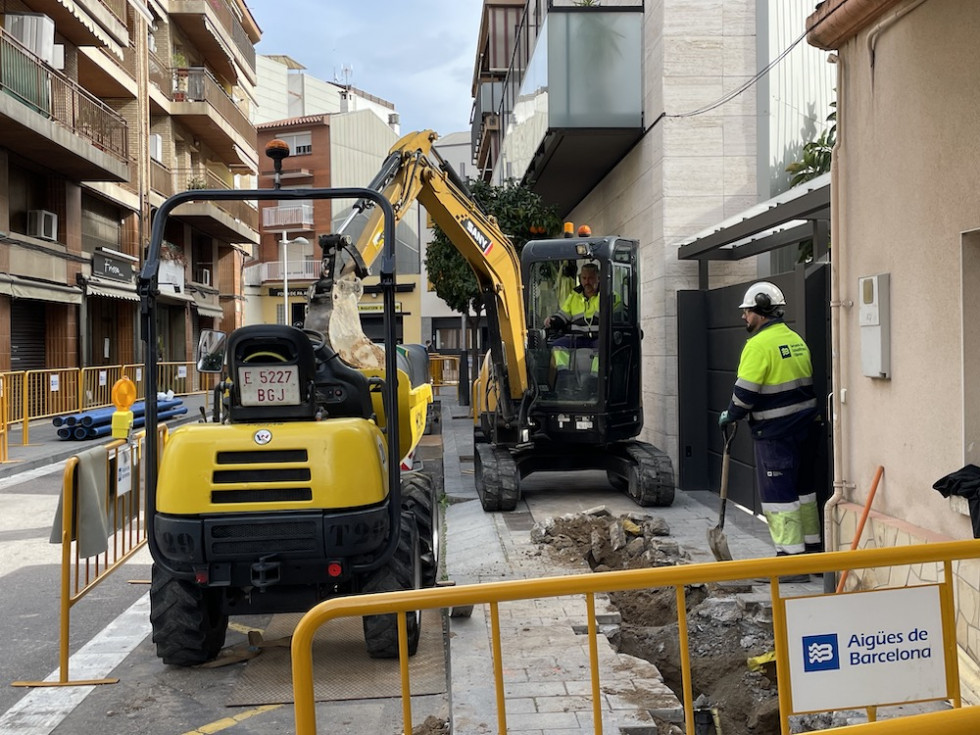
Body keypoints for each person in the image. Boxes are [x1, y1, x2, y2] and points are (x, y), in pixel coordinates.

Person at [718, 282, 821, 582]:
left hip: (776, 435)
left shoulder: (758, 346)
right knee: (804, 494)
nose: (743, 317)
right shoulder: (796, 339)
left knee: (779, 498)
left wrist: (730, 416)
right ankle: (811, 555)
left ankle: (789, 563)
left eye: (747, 311)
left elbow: (744, 393)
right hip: (807, 430)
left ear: (761, 311)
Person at [545, 262, 602, 395]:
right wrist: (552, 321)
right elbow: (563, 315)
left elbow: (617, 315)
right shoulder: (574, 296)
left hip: (598, 338)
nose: (587, 282)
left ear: (598, 278)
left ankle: (593, 380)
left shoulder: (607, 295)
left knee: (603, 347)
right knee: (557, 345)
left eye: (590, 278)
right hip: (578, 338)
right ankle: (565, 376)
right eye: (584, 278)